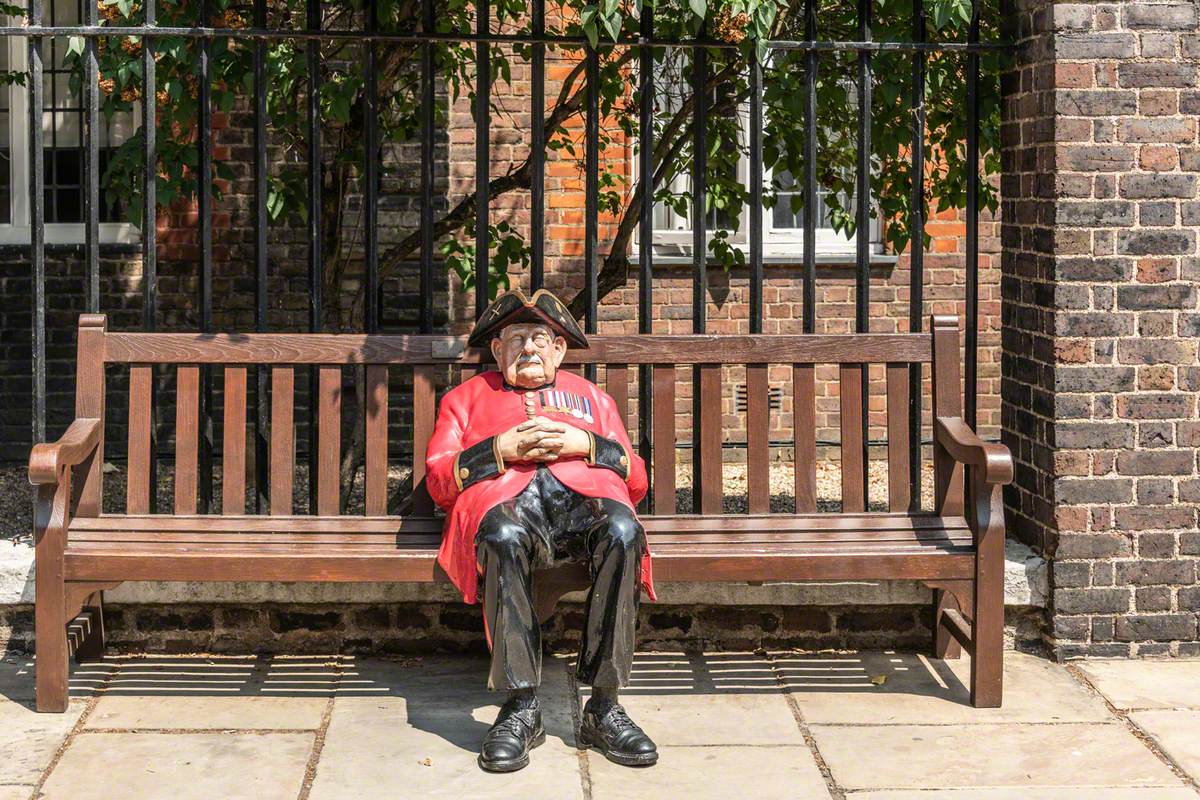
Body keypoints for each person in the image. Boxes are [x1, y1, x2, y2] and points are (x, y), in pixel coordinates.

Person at [425, 288, 658, 772]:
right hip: (506, 501)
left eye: (539, 338)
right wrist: (498, 450)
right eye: (515, 340)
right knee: (502, 539)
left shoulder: (593, 397)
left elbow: (636, 477)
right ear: (496, 350)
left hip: (584, 502)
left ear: (558, 350)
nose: (528, 348)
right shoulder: (464, 399)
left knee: (623, 533)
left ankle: (605, 705)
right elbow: (439, 480)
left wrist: (587, 443)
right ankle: (522, 704)